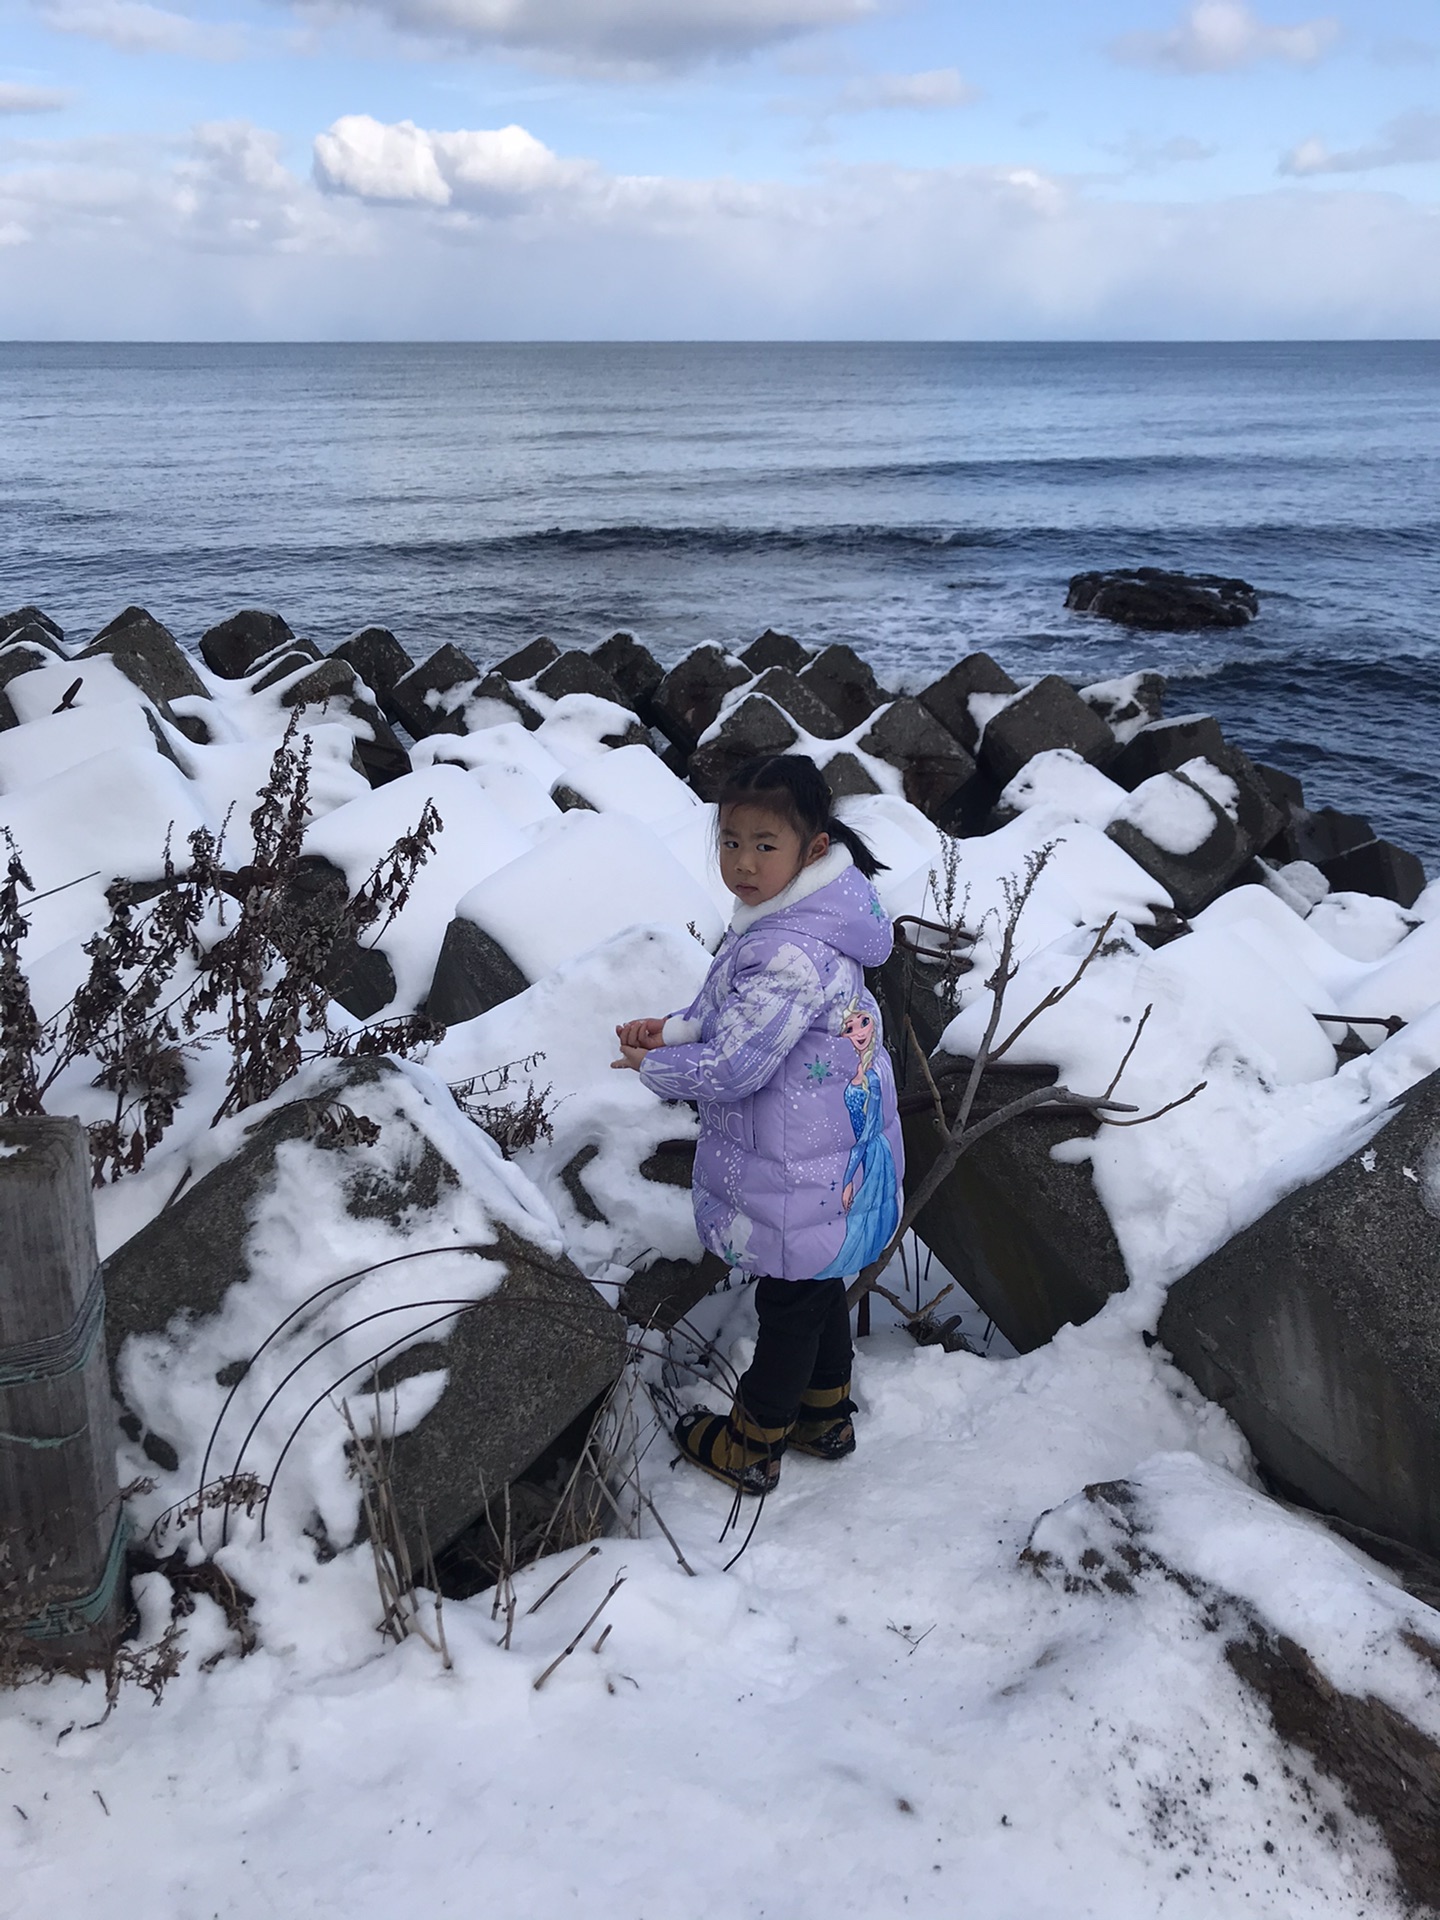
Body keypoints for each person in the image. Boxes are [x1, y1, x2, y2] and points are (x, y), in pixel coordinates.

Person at [613, 752, 903, 1496]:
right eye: (730, 842)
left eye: (764, 845)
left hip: (799, 1164)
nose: (743, 863)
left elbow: (738, 1066)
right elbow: (730, 1012)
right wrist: (674, 1031)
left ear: (810, 848)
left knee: (789, 1303)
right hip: (822, 1157)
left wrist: (656, 1070)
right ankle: (824, 1415)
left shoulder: (790, 951)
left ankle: (753, 1441)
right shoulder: (797, 918)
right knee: (815, 1288)